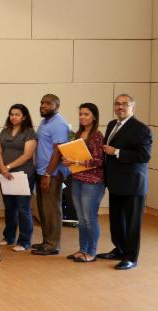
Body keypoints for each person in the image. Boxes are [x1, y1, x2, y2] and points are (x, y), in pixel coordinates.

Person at [98, 94, 152, 270]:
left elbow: (144, 156)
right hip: (115, 182)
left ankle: (130, 257)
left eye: (124, 104)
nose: (120, 107)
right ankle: (119, 250)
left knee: (131, 223)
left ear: (132, 107)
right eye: (117, 104)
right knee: (116, 221)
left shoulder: (141, 129)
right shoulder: (112, 124)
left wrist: (117, 152)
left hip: (133, 185)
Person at [46, 103, 104, 263]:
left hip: (93, 182)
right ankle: (82, 249)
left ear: (94, 117)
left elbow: (99, 161)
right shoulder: (78, 133)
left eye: (86, 114)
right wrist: (68, 161)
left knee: (89, 218)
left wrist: (76, 161)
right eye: (81, 114)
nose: (82, 117)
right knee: (81, 218)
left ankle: (92, 252)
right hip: (77, 179)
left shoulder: (97, 135)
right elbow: (75, 157)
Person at [33, 94, 70, 256]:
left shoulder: (59, 124)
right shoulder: (45, 121)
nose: (43, 105)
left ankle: (53, 245)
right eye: (42, 102)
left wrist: (48, 173)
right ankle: (46, 241)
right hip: (41, 172)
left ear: (57, 106)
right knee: (43, 209)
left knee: (52, 210)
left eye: (48, 103)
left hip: (52, 174)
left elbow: (58, 151)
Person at [0, 104, 37, 252]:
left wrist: (7, 167)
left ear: (24, 117)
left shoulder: (29, 132)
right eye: (12, 114)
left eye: (17, 114)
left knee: (23, 209)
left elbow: (27, 155)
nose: (13, 117)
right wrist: (2, 168)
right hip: (5, 175)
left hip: (23, 176)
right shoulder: (5, 131)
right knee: (9, 208)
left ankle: (24, 241)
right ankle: (9, 237)